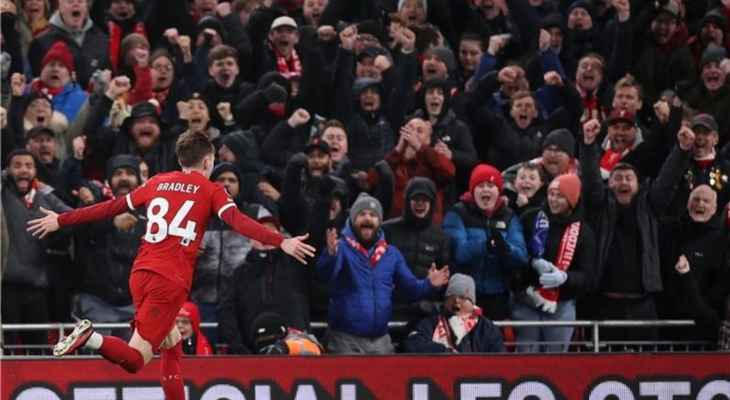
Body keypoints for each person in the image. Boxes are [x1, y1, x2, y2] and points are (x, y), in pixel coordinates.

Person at [28, 131, 315, 400]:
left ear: (181, 160)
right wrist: (281, 241)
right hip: (169, 281)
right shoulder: (211, 190)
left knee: (172, 342)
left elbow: (109, 207)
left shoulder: (157, 182)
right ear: (207, 161)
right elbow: (238, 221)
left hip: (140, 274)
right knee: (136, 359)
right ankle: (90, 338)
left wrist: (61, 219)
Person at [579, 115, 694, 344]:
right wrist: (589, 144)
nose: (622, 183)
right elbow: (591, 180)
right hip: (605, 303)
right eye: (617, 178)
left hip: (643, 304)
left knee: (646, 367)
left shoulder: (649, 205)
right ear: (609, 184)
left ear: (638, 184)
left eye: (628, 178)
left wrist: (681, 150)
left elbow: (667, 179)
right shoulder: (600, 206)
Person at [317, 193, 450, 354]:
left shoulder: (391, 254)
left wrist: (429, 284)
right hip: (345, 340)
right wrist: (330, 256)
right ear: (352, 220)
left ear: (379, 222)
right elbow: (324, 275)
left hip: (381, 341)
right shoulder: (341, 248)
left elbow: (411, 289)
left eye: (373, 215)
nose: (367, 219)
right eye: (362, 214)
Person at [512, 174, 596, 352]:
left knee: (555, 359)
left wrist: (565, 278)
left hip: (562, 303)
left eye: (560, 195)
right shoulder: (531, 217)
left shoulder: (583, 231)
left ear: (572, 199)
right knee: (525, 357)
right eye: (551, 194)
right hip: (527, 299)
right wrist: (531, 263)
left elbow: (587, 275)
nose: (553, 199)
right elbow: (515, 252)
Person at [443, 163, 529, 321]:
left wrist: (506, 249)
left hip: (498, 295)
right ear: (472, 190)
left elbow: (522, 256)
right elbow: (459, 253)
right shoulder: (458, 213)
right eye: (480, 185)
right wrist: (485, 245)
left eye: (491, 185)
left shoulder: (509, 217)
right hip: (464, 296)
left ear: (498, 191)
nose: (486, 190)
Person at [403, 273, 505, 353]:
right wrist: (445, 352)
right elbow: (413, 344)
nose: (456, 301)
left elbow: (499, 358)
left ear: (472, 302)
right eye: (452, 297)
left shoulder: (487, 328)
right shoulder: (431, 322)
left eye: (462, 298)